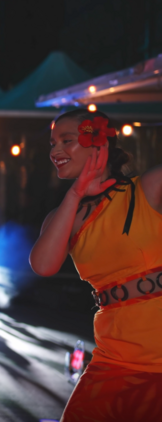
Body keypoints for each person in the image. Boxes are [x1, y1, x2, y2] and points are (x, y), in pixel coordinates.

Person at [30, 109, 162, 421]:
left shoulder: (149, 188)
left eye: (66, 140)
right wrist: (75, 194)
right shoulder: (64, 215)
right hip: (114, 358)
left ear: (99, 143)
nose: (54, 151)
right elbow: (43, 266)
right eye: (52, 143)